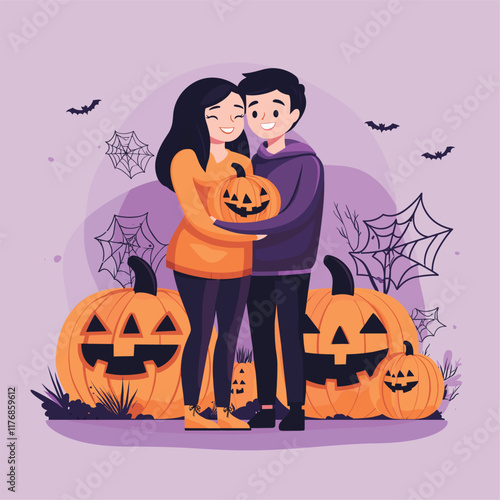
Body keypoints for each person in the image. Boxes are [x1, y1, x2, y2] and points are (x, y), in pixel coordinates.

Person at [212, 68, 325, 431]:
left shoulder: (307, 163)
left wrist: (230, 228)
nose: (264, 118)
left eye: (275, 110)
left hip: (292, 265)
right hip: (254, 264)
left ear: (293, 115)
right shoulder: (251, 164)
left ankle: (295, 408)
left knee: (290, 335)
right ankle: (265, 405)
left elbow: (292, 216)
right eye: (254, 110)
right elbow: (239, 202)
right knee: (260, 336)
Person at [155, 78, 265, 430]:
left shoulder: (240, 162)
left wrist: (254, 233)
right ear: (196, 117)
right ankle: (191, 411)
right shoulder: (185, 159)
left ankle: (223, 411)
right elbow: (197, 217)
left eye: (237, 112)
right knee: (200, 333)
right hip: (194, 258)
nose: (229, 120)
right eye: (217, 113)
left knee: (230, 336)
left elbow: (252, 207)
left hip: (238, 262)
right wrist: (247, 234)